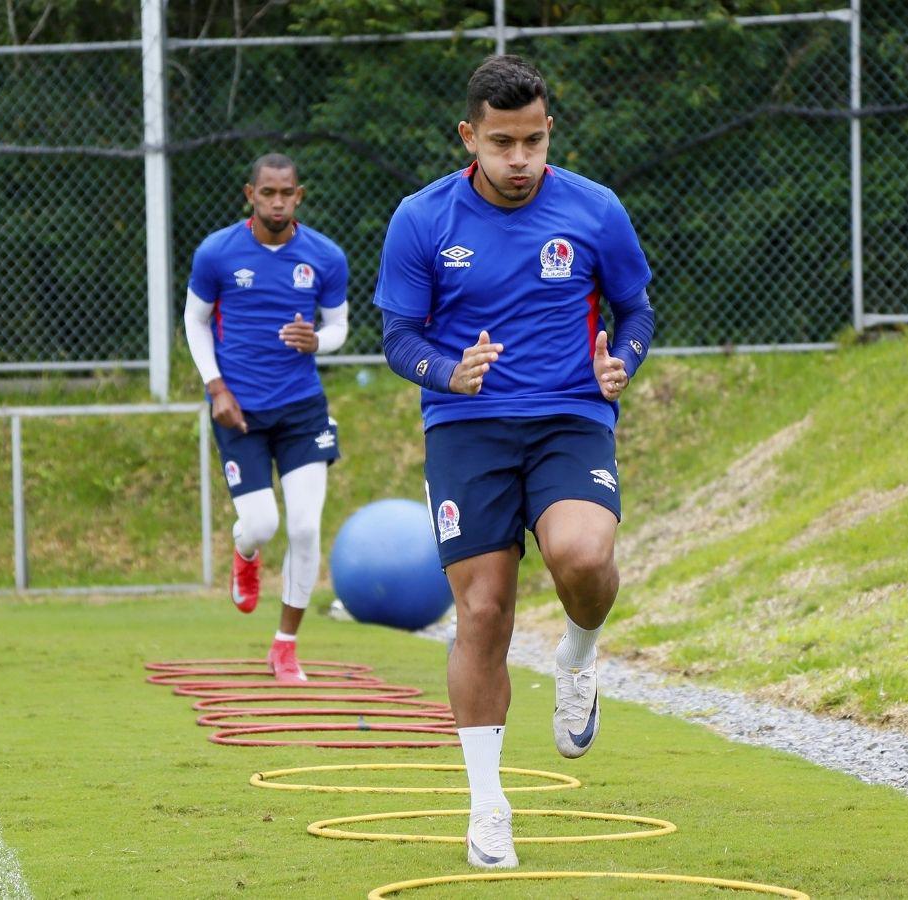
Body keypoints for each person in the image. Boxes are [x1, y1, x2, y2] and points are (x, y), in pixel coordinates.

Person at [374, 55, 654, 869]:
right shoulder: (422, 219)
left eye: (532, 140)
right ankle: (488, 805)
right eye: (502, 142)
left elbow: (635, 310)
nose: (519, 158)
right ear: (470, 136)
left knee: (582, 554)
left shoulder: (595, 210)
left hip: (571, 418)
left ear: (548, 132)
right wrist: (445, 371)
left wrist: (622, 363)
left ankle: (576, 654)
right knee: (485, 613)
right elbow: (398, 339)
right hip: (466, 428)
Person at [184, 152, 349, 683]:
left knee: (303, 528)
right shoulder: (217, 252)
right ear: (249, 194)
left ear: (299, 197)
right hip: (240, 411)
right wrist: (216, 389)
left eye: (287, 193)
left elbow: (339, 326)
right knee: (262, 523)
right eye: (267, 193)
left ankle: (284, 646)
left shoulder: (325, 257)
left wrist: (318, 340)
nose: (277, 202)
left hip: (303, 409)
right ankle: (245, 551)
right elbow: (195, 321)